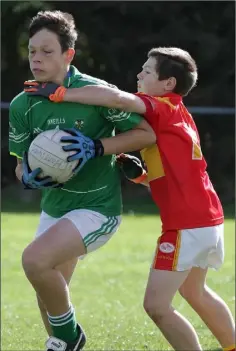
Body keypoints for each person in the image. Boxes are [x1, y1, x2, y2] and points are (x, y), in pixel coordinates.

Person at [25, 47, 235, 351]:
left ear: (168, 84)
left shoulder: (160, 107)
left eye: (147, 71)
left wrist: (61, 93)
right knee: (195, 292)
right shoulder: (180, 114)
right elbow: (176, 178)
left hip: (187, 224)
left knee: (157, 307)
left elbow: (116, 99)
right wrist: (141, 177)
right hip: (208, 218)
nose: (139, 75)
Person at [9, 10, 156, 351]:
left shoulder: (97, 94)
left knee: (34, 260)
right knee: (48, 294)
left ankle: (72, 338)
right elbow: (20, 165)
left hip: (97, 208)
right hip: (55, 208)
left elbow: (145, 133)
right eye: (32, 51)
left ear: (68, 54)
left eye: (47, 51)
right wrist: (27, 178)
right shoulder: (24, 104)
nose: (37, 59)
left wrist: (97, 146)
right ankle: (64, 343)